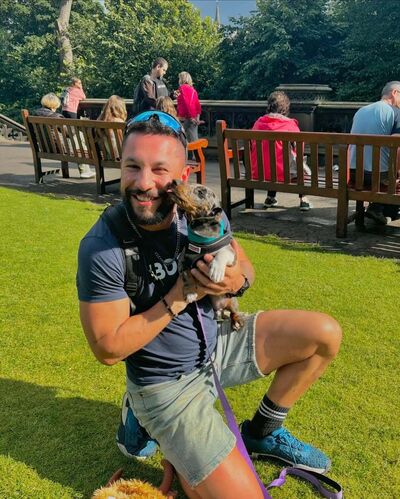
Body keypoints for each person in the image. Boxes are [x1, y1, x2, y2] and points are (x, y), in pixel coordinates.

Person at [77, 111, 342, 499]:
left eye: (159, 169)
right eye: (133, 166)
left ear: (183, 177)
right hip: (164, 382)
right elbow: (107, 348)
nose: (143, 182)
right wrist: (182, 293)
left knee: (324, 334)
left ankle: (262, 432)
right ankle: (144, 415)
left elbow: (245, 268)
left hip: (215, 343)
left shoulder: (199, 211)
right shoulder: (103, 245)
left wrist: (234, 280)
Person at [250, 91, 312, 211]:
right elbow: (299, 148)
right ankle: (303, 198)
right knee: (298, 162)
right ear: (285, 107)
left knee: (270, 158)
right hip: (284, 173)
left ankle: (270, 197)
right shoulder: (289, 124)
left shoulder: (258, 122)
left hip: (260, 172)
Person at [349, 81, 400, 225]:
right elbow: (398, 148)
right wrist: (396, 174)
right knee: (394, 175)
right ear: (394, 93)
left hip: (353, 174)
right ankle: (378, 208)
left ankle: (379, 209)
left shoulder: (361, 111)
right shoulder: (396, 113)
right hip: (378, 178)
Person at [35, 92, 95, 179]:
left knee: (78, 137)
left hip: (44, 147)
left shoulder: (36, 115)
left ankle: (86, 166)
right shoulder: (56, 117)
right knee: (78, 135)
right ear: (54, 105)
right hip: (59, 148)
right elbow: (69, 133)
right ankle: (85, 169)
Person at [177, 71, 202, 143]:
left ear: (182, 79)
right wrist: (197, 118)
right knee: (194, 139)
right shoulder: (193, 90)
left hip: (187, 118)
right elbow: (198, 105)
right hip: (194, 117)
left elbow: (187, 103)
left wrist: (190, 118)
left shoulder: (182, 88)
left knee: (186, 141)